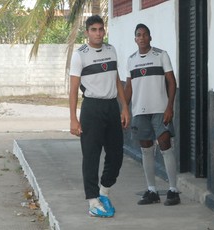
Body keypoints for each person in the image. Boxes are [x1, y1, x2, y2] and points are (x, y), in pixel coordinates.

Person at [69, 15, 130, 218]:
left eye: (100, 29)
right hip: (92, 108)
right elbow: (73, 88)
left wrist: (124, 108)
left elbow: (116, 80)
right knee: (91, 156)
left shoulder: (111, 50)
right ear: (87, 32)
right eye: (93, 29)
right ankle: (93, 201)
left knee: (116, 155)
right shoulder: (80, 55)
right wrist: (73, 118)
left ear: (104, 31)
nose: (98, 33)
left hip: (111, 107)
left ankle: (104, 192)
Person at [124, 23, 180, 206]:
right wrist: (124, 109)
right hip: (140, 111)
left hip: (160, 110)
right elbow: (129, 87)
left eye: (145, 34)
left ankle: (173, 190)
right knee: (146, 149)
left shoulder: (161, 55)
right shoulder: (131, 60)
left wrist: (170, 107)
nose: (141, 38)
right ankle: (152, 191)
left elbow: (172, 82)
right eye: (138, 35)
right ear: (135, 39)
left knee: (165, 146)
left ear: (150, 37)